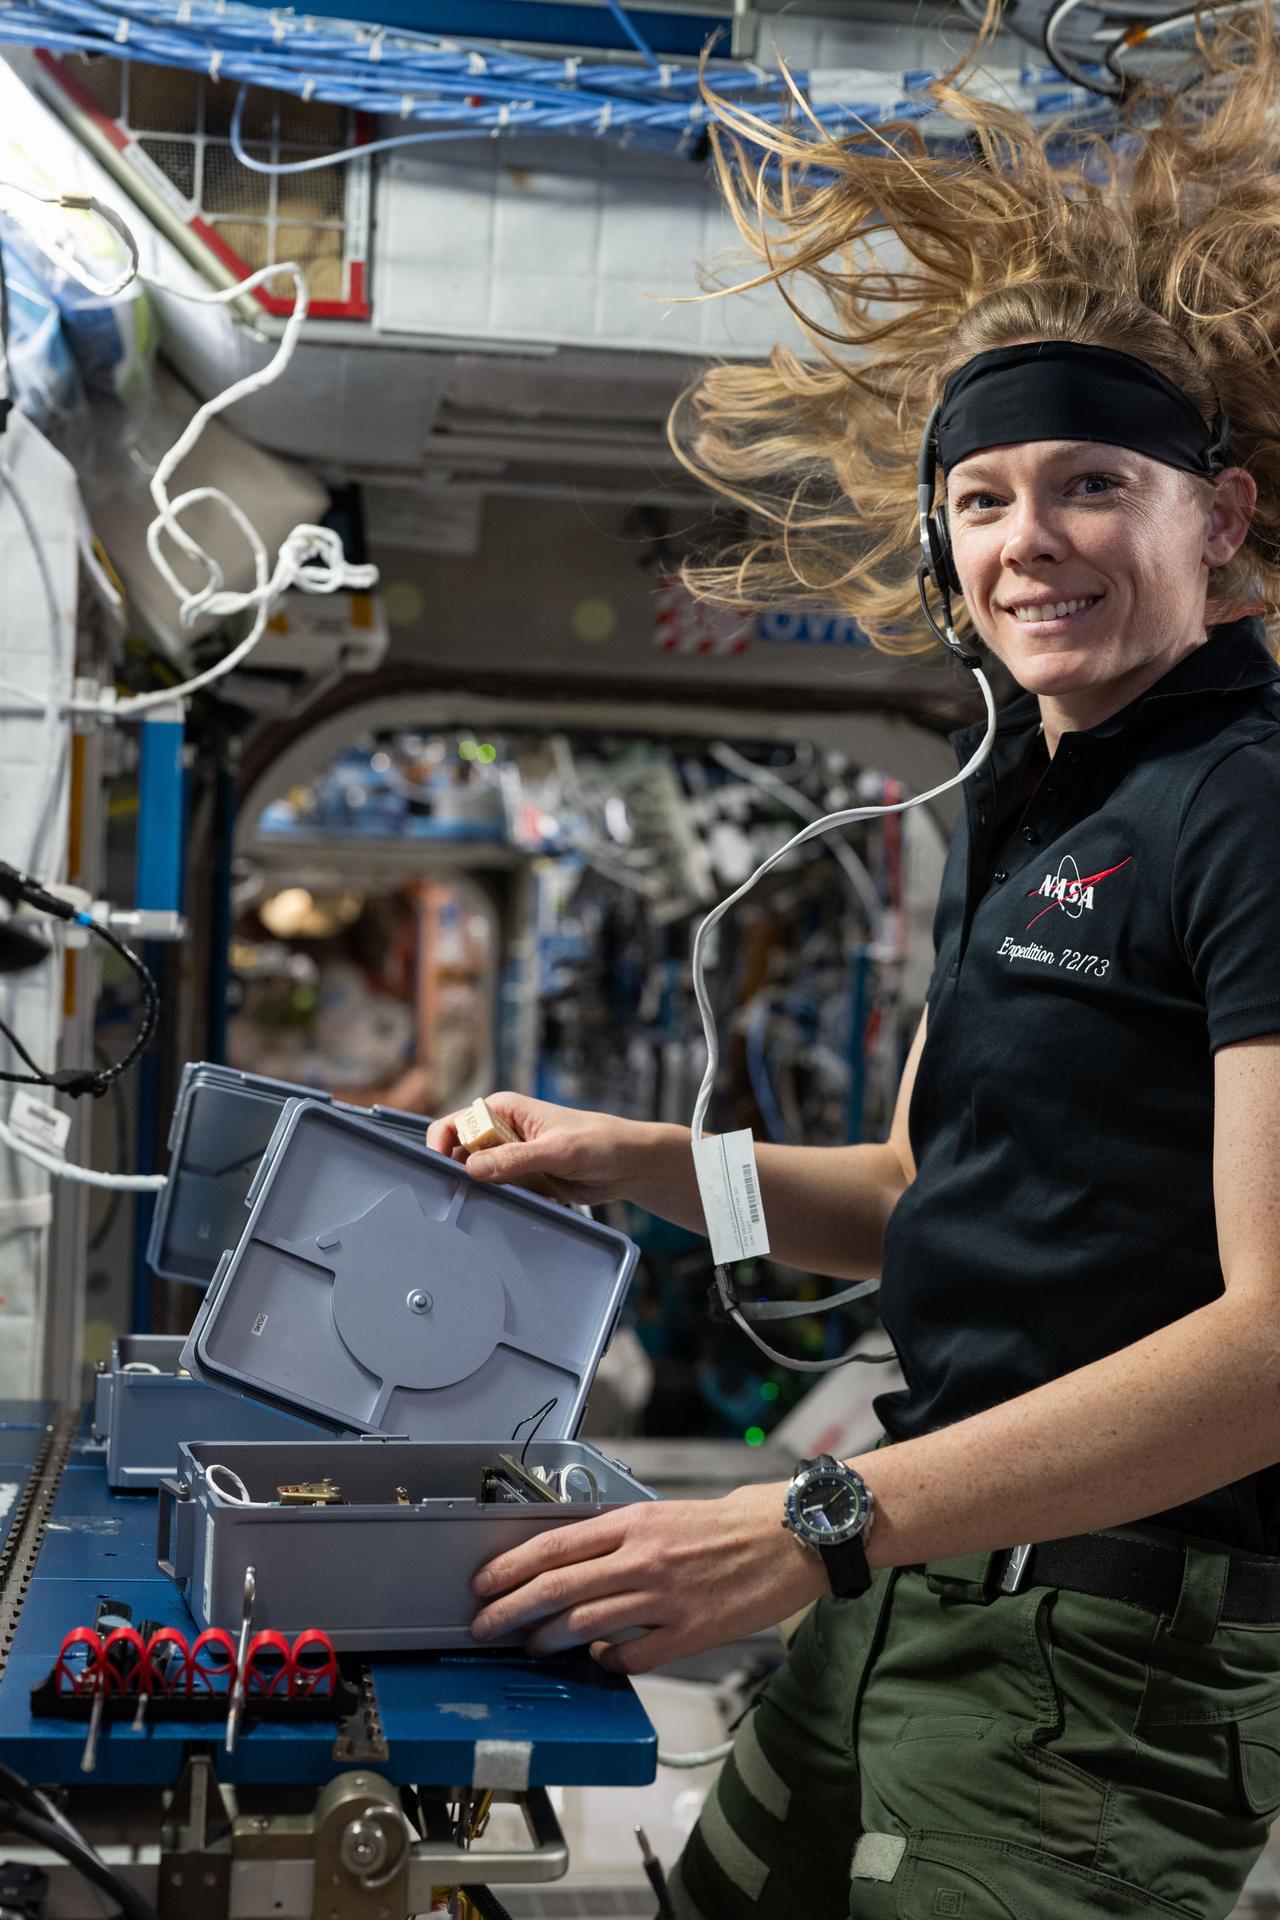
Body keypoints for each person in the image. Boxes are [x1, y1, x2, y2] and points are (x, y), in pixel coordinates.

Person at [428, 9, 1280, 1915]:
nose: (1026, 541)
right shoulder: (1041, 804)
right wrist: (631, 1163)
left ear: (1217, 521)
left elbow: (1278, 1347)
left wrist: (807, 1526)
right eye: (982, 499)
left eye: (1090, 485)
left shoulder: (1248, 806)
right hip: (915, 1580)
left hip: (1096, 1655)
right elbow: (920, 1197)